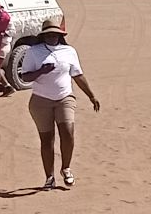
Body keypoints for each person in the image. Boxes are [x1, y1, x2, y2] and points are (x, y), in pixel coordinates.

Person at [21, 17, 100, 189]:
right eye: (49, 35)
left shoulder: (69, 51)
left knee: (68, 132)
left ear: (60, 35)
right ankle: (49, 177)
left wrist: (91, 96)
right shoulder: (34, 52)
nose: (52, 37)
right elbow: (24, 76)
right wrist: (41, 71)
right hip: (41, 100)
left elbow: (78, 75)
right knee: (47, 139)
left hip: (64, 97)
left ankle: (66, 168)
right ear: (43, 36)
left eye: (55, 34)